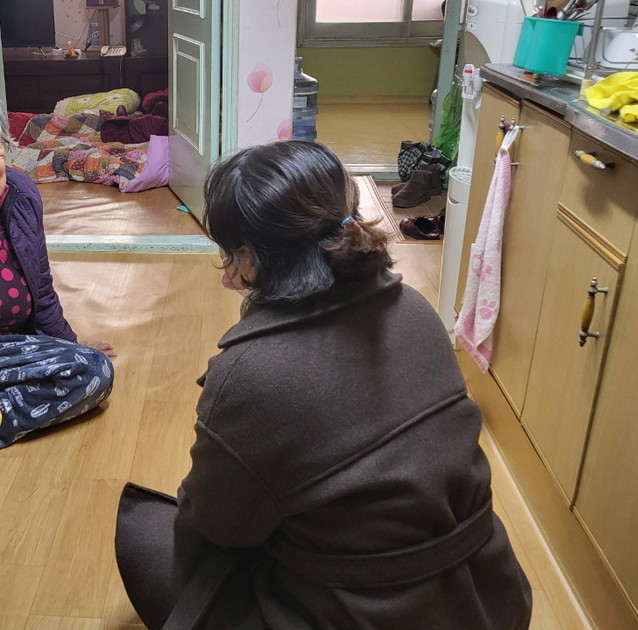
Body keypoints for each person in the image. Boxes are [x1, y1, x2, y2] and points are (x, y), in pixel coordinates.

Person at [115, 141, 531, 629]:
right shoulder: (414, 308)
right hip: (487, 593)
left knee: (143, 529)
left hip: (367, 614)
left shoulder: (251, 373)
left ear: (247, 259)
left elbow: (216, 526)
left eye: (227, 250)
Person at [0, 104, 115, 447]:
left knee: (93, 369)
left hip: (12, 349)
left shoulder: (20, 193)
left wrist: (68, 344)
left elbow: (41, 286)